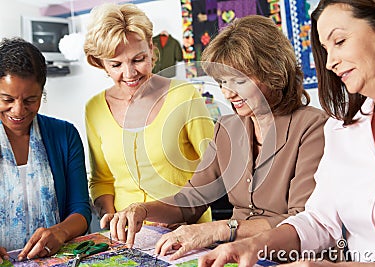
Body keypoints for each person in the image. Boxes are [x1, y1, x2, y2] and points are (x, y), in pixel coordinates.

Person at [99, 15, 328, 260]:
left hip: (291, 259)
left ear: (273, 72)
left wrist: (219, 229)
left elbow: (302, 221)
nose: (229, 93)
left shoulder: (314, 128)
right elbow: (191, 199)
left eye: (239, 81)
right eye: (222, 82)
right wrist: (142, 210)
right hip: (234, 256)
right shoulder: (227, 128)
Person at [198, 0, 375, 266]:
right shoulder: (343, 129)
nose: (330, 63)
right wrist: (252, 245)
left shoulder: (313, 125)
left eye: (339, 41)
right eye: (325, 50)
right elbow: (319, 220)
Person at [83, 3, 214, 227]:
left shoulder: (184, 96)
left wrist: (178, 214)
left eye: (138, 59)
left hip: (188, 231)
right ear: (101, 64)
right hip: (129, 238)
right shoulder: (94, 108)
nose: (130, 73)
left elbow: (212, 169)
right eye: (116, 64)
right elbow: (101, 179)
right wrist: (109, 216)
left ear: (152, 51)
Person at [0, 38, 91, 263]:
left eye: (31, 99)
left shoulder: (64, 135)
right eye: (7, 99)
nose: (18, 111)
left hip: (56, 259)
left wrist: (60, 232)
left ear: (42, 93)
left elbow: (80, 208)